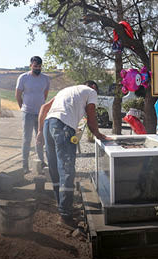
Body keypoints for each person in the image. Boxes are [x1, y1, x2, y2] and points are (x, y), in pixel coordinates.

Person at [37, 81, 109, 227]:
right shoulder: (91, 92)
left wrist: (39, 132)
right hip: (63, 126)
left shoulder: (65, 90)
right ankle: (65, 216)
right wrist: (97, 133)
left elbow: (44, 108)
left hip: (48, 124)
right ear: (92, 87)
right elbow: (91, 115)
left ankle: (64, 208)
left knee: (55, 169)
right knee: (67, 170)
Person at [16, 56, 50, 173]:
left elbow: (45, 95)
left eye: (39, 66)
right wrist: (23, 108)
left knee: (40, 138)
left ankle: (41, 162)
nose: (37, 68)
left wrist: (40, 108)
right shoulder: (23, 78)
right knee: (26, 139)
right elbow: (18, 94)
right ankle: (25, 165)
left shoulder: (45, 79)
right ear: (31, 65)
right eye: (35, 66)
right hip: (27, 113)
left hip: (40, 113)